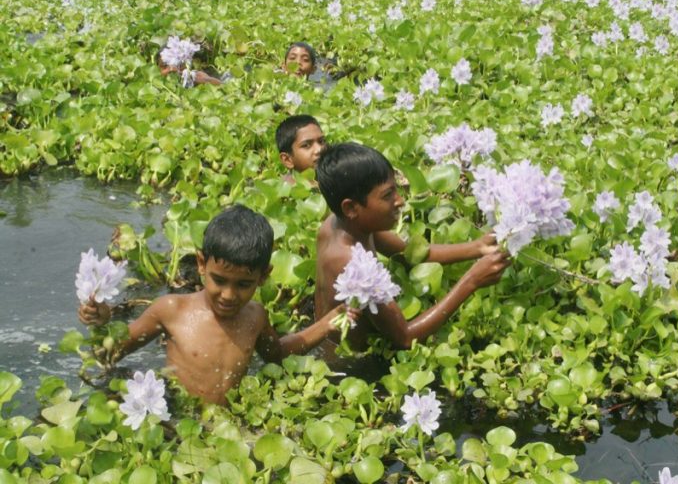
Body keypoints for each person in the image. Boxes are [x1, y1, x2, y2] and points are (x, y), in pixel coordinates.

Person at [79, 205, 355, 405]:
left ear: (263, 276)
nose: (228, 295)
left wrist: (328, 323)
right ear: (201, 264)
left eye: (243, 285)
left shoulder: (255, 316)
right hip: (180, 416)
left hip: (228, 419)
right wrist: (103, 321)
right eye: (219, 280)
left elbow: (277, 353)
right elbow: (110, 354)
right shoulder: (170, 309)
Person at [313, 142, 511, 351]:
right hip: (344, 360)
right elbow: (405, 338)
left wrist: (478, 247)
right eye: (388, 195)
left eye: (396, 190)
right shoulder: (350, 263)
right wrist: (472, 281)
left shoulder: (344, 223)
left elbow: (412, 255)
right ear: (351, 207)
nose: (400, 200)